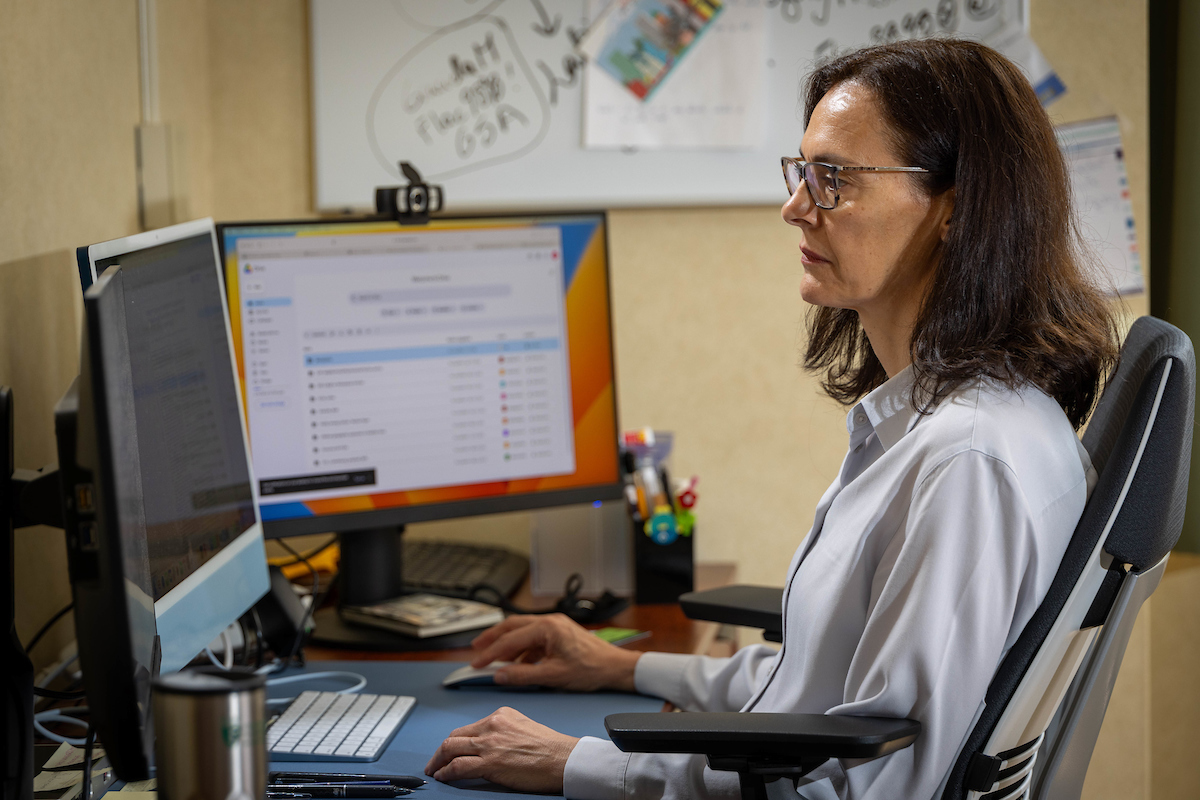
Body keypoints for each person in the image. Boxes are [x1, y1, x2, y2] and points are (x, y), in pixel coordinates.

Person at [424, 38, 1120, 800]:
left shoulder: (969, 462)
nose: (795, 208)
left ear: (954, 210)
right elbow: (814, 690)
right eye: (801, 173)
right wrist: (620, 665)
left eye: (834, 180)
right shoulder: (945, 423)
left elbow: (872, 785)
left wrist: (579, 764)